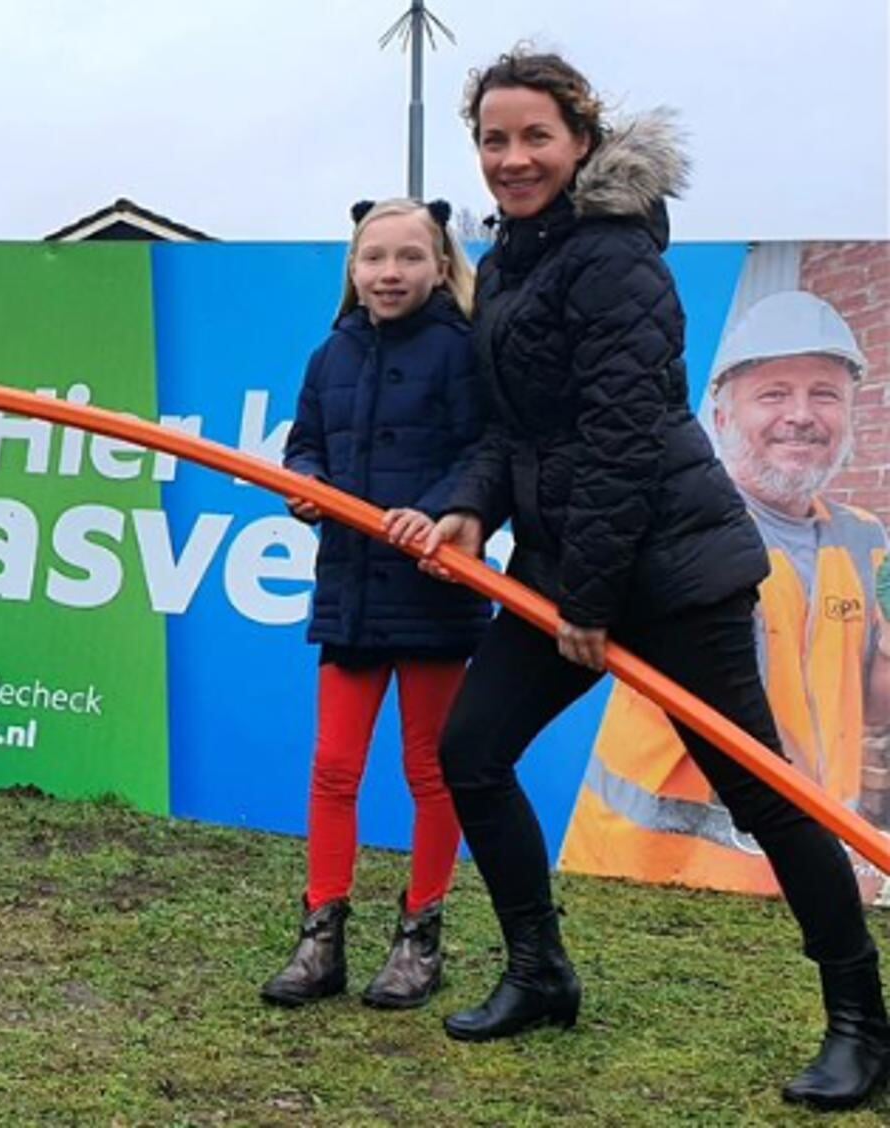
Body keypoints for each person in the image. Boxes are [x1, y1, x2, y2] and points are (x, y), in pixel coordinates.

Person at [420, 47, 890, 1111]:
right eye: (494, 139)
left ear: (581, 140)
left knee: (760, 793)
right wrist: (468, 506)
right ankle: (542, 971)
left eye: (534, 135)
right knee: (472, 751)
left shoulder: (617, 256)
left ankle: (862, 1023)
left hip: (673, 567)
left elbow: (624, 440)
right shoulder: (507, 263)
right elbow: (514, 431)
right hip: (565, 560)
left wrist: (588, 604)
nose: (512, 157)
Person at [561, 291, 890, 898]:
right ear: (720, 417)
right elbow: (740, 704)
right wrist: (839, 848)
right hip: (650, 875)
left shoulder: (868, 540)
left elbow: (879, 691)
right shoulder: (678, 529)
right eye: (773, 393)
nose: (801, 414)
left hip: (815, 872)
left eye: (824, 394)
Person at [261, 198, 488, 1011]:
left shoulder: (463, 351)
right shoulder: (331, 354)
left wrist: (435, 513)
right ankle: (321, 937)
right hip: (351, 592)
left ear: (439, 266)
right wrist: (308, 484)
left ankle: (419, 937)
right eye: (373, 259)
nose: (389, 273)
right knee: (333, 766)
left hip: (433, 594)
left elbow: (482, 454)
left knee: (431, 770)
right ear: (353, 270)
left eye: (408, 258)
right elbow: (303, 446)